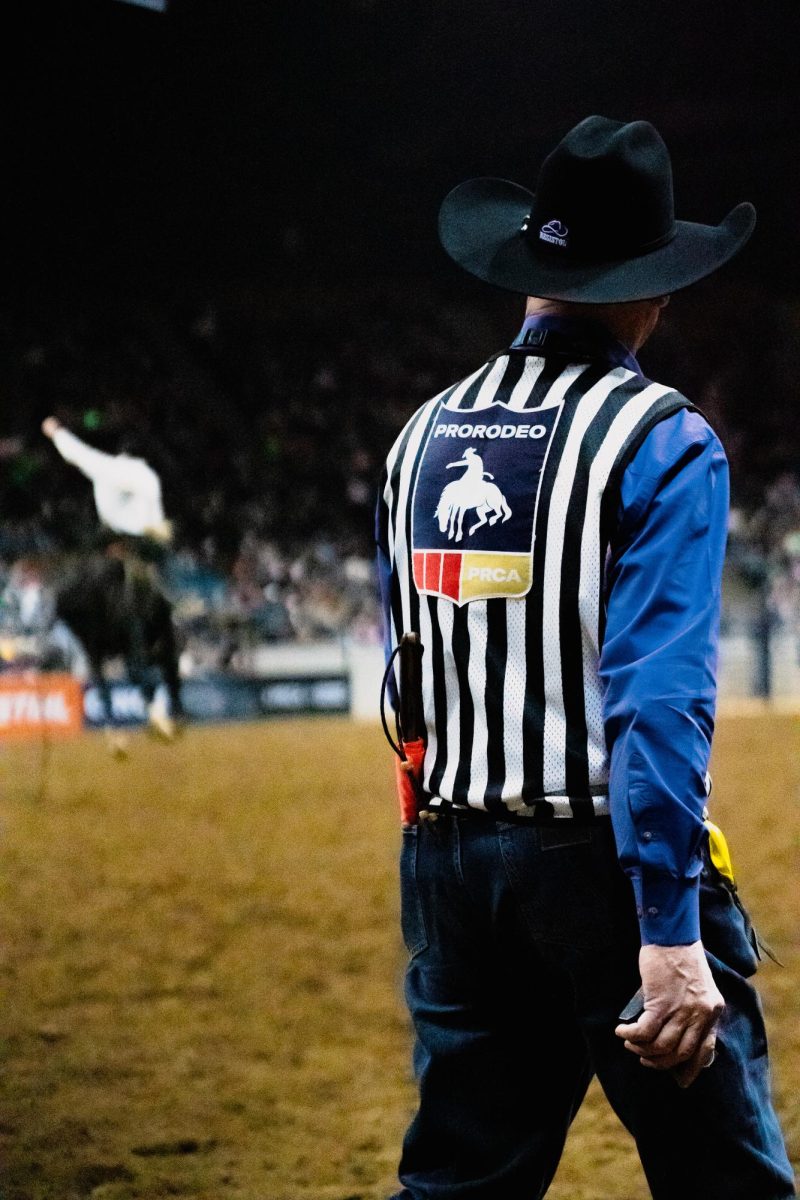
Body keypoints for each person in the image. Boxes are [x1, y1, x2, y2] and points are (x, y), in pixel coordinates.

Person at [376, 116, 795, 1200]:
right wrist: (665, 927)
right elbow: (657, 701)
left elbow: (406, 672)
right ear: (644, 289)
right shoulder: (662, 438)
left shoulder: (420, 434)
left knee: (461, 1180)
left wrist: (437, 841)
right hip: (602, 872)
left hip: (451, 861)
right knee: (726, 1181)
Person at [42, 417, 182, 742]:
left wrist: (55, 431)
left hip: (108, 542)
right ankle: (162, 645)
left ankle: (61, 627)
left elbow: (74, 452)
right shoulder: (147, 477)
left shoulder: (102, 466)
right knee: (156, 598)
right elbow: (156, 526)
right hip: (135, 545)